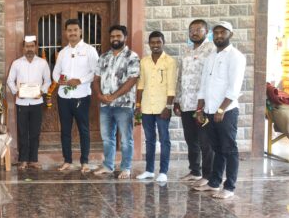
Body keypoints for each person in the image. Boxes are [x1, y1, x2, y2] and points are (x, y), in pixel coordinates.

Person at [193, 21, 246, 200]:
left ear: (231, 34)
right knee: (216, 148)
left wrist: (221, 109)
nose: (219, 36)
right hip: (209, 110)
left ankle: (229, 187)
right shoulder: (211, 57)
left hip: (226, 111)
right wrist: (199, 109)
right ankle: (214, 183)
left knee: (229, 149)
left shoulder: (236, 57)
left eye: (223, 32)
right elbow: (203, 85)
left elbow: (234, 87)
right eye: (216, 33)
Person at [92, 25, 140, 179]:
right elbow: (96, 78)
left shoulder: (132, 57)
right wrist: (99, 95)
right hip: (105, 105)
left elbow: (132, 79)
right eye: (112, 36)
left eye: (118, 36)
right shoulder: (103, 57)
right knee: (107, 138)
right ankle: (108, 166)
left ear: (125, 38)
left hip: (124, 105)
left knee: (126, 139)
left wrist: (113, 96)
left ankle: (126, 168)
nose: (115, 39)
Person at [52, 18, 98, 173]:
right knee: (65, 130)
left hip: (81, 96)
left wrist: (80, 80)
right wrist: (59, 80)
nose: (72, 33)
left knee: (83, 129)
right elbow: (55, 72)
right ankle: (67, 160)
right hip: (63, 97)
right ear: (66, 32)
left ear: (80, 31)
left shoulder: (89, 50)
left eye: (75, 30)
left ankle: (84, 161)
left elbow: (95, 72)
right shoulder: (62, 53)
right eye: (69, 30)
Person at [175, 19, 216, 184]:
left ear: (206, 31)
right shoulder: (186, 50)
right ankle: (195, 171)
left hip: (202, 104)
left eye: (198, 29)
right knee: (191, 139)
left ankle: (208, 175)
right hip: (186, 103)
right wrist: (177, 100)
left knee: (205, 141)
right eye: (191, 30)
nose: (194, 32)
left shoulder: (212, 49)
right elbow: (180, 76)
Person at [135, 31, 177, 182]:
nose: (155, 45)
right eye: (152, 42)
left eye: (158, 42)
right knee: (149, 139)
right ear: (149, 44)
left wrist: (168, 107)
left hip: (162, 107)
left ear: (163, 43)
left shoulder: (170, 62)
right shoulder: (144, 62)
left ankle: (163, 171)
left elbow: (171, 86)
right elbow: (141, 85)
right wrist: (138, 105)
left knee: (164, 139)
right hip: (147, 106)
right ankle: (149, 170)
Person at [7, 35, 51, 169]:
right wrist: (16, 92)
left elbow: (48, 81)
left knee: (35, 131)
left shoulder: (42, 63)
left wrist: (42, 91)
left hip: (37, 103)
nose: (29, 49)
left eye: (32, 46)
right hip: (22, 103)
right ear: (23, 48)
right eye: (27, 46)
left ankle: (33, 159)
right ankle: (23, 160)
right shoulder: (16, 63)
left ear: (36, 47)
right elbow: (10, 81)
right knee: (22, 132)